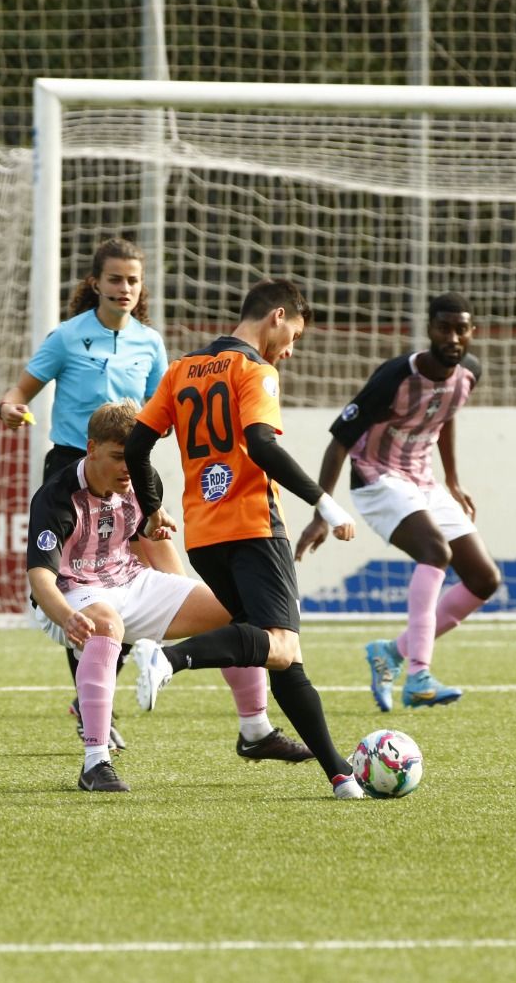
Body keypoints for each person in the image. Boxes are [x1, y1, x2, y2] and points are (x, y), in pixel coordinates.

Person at [124, 279, 368, 800]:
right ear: (277, 316)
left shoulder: (181, 370)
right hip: (255, 526)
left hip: (204, 536)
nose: (291, 348)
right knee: (280, 645)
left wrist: (150, 508)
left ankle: (341, 774)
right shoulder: (255, 370)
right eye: (294, 335)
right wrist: (323, 502)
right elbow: (260, 445)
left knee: (280, 652)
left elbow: (137, 444)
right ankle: (168, 658)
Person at [27, 400, 313, 792]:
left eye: (135, 456)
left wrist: (184, 601)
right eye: (117, 457)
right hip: (69, 593)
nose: (128, 467)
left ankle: (255, 730)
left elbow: (154, 546)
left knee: (239, 605)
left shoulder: (143, 481)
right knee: (105, 625)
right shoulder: (56, 496)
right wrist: (64, 615)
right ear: (91, 448)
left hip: (129, 580)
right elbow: (39, 576)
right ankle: (95, 762)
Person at [0, 238, 169, 745]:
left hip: (129, 471)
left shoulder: (149, 342)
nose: (125, 288)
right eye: (115, 279)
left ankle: (147, 660)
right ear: (96, 282)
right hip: (73, 464)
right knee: (81, 586)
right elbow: (20, 391)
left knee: (151, 565)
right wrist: (8, 407)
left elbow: (163, 408)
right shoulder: (68, 337)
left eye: (133, 280)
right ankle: (96, 704)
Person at [295, 292, 500, 712]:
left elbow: (445, 416)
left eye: (462, 329)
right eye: (445, 327)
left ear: (472, 332)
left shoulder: (469, 373)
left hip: (423, 480)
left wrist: (453, 480)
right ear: (429, 329)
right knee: (435, 552)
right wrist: (323, 511)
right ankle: (419, 676)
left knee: (483, 579)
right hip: (376, 477)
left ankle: (390, 653)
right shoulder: (394, 377)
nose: (454, 337)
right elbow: (339, 443)